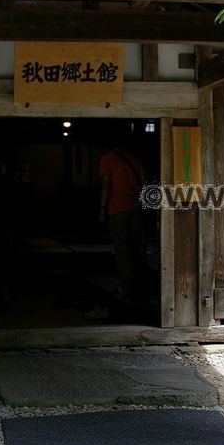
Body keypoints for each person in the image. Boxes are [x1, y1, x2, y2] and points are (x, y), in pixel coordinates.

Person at [87, 133, 147, 321]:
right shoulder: (135, 159)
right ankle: (141, 287)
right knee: (138, 248)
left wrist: (102, 208)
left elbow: (106, 184)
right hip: (136, 207)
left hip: (117, 208)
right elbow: (144, 182)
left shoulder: (107, 160)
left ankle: (127, 289)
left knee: (122, 250)